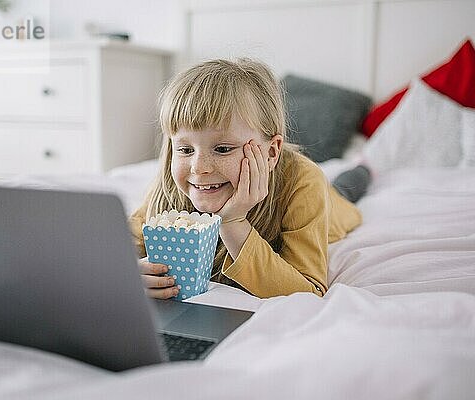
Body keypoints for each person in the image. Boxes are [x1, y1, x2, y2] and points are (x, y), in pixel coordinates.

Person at [129, 58, 365, 300]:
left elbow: (308, 292)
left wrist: (233, 222)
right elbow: (118, 249)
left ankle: (362, 171)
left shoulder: (303, 182)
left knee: (346, 190)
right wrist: (129, 273)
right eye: (186, 150)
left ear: (271, 152)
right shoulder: (171, 186)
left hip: (335, 208)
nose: (198, 168)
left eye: (222, 149)